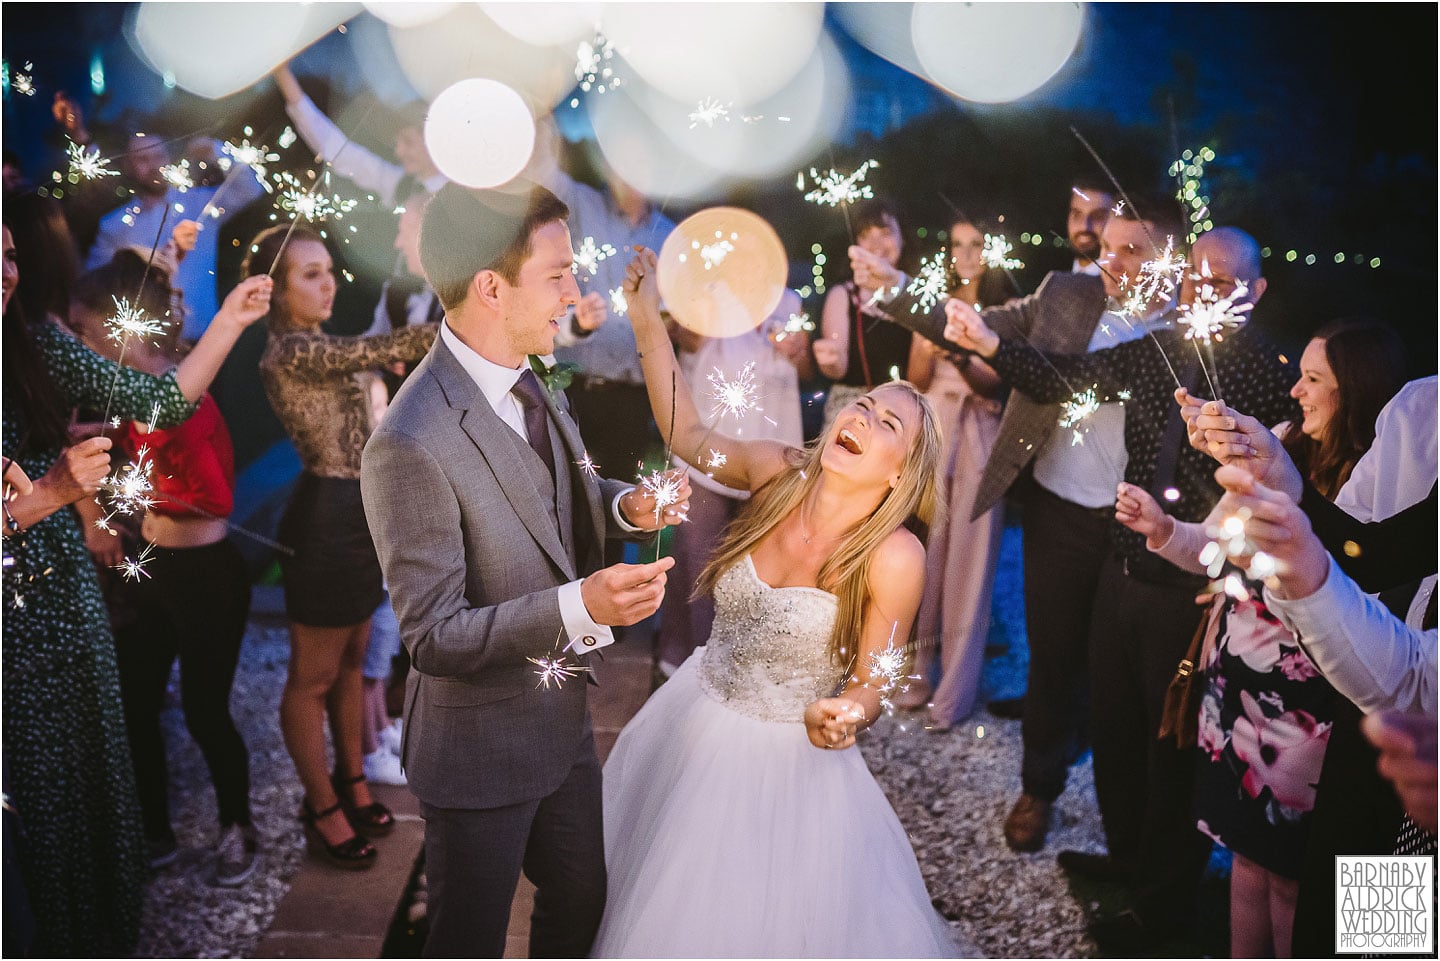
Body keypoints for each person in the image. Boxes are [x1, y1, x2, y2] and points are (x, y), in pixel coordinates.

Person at [590, 244, 967, 958]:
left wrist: (850, 710)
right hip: (693, 718)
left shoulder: (894, 555)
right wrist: (646, 320)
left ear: (899, 476)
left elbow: (877, 674)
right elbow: (687, 434)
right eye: (863, 405)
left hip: (789, 765)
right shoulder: (775, 469)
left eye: (888, 424)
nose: (861, 417)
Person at [943, 221, 1299, 950]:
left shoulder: (1268, 373)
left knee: (1171, 751)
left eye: (1224, 280)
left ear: (1256, 292)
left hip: (1193, 588)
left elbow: (1279, 492)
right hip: (1120, 564)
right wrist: (987, 342)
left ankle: (1163, 908)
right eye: (1196, 273)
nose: (1204, 288)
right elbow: (1067, 380)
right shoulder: (1163, 345)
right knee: (1112, 725)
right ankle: (1130, 859)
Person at [361, 183, 688, 958]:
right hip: (477, 752)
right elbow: (434, 635)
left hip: (560, 726)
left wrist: (621, 509)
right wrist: (583, 604)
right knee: (464, 942)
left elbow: (552, 494)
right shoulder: (409, 441)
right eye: (558, 273)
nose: (576, 291)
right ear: (491, 287)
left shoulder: (531, 370)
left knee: (580, 903)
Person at [1, 215, 271, 954]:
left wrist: (229, 320)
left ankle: (104, 924)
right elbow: (50, 481)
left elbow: (162, 403)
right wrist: (55, 497)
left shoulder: (32, 342)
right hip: (17, 611)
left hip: (78, 593)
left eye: (11, 255)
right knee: (43, 783)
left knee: (105, 751)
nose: (5, 273)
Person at [1115, 318, 1405, 957]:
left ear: (1357, 390)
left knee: (1338, 898)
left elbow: (1369, 567)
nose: (1295, 391)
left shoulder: (1390, 474)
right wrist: (1167, 530)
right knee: (1251, 859)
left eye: (1313, 379)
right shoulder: (1292, 444)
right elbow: (1223, 545)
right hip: (1251, 695)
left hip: (1332, 711)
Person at [66, 251, 264, 883]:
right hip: (147, 565)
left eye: (85, 332)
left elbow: (214, 497)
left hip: (206, 572)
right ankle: (155, 831)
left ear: (117, 327)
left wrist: (129, 481)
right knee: (136, 704)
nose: (77, 343)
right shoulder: (120, 395)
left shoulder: (183, 395)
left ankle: (240, 828)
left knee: (207, 710)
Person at [246, 224, 437, 869]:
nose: (327, 283)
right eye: (309, 274)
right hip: (325, 520)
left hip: (361, 513)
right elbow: (391, 345)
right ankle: (321, 804)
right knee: (312, 676)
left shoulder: (330, 344)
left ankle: (352, 781)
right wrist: (464, 323)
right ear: (273, 289)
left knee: (354, 659)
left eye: (329, 270)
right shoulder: (287, 353)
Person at [892, 216, 1018, 728]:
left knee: (972, 559)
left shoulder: (1008, 311)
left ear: (991, 252)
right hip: (936, 429)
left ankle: (956, 689)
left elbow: (1000, 386)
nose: (965, 254)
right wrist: (929, 342)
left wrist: (964, 358)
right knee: (926, 553)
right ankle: (919, 667)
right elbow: (917, 377)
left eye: (976, 245)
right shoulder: (931, 301)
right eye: (956, 244)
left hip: (981, 432)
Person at [655, 287, 811, 677]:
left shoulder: (790, 301)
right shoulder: (710, 297)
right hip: (709, 449)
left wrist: (799, 352)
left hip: (773, 455)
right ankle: (688, 666)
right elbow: (683, 339)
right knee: (696, 560)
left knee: (758, 568)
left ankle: (744, 667)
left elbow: (804, 371)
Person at [87, 134, 264, 340]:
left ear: (169, 158)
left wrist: (216, 150)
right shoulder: (114, 225)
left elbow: (250, 189)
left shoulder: (200, 204)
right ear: (128, 166)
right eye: (142, 159)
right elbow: (95, 280)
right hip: (142, 342)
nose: (153, 165)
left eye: (158, 156)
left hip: (204, 339)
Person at [813, 198, 931, 425]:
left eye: (886, 232)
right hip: (849, 411)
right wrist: (831, 361)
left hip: (897, 416)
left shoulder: (918, 298)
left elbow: (920, 383)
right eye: (866, 234)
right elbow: (838, 369)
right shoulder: (843, 296)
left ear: (902, 238)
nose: (876, 244)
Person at [273, 62, 447, 211]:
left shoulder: (461, 191)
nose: (399, 151)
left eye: (408, 142)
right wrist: (283, 75)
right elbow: (341, 152)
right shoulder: (401, 185)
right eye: (397, 142)